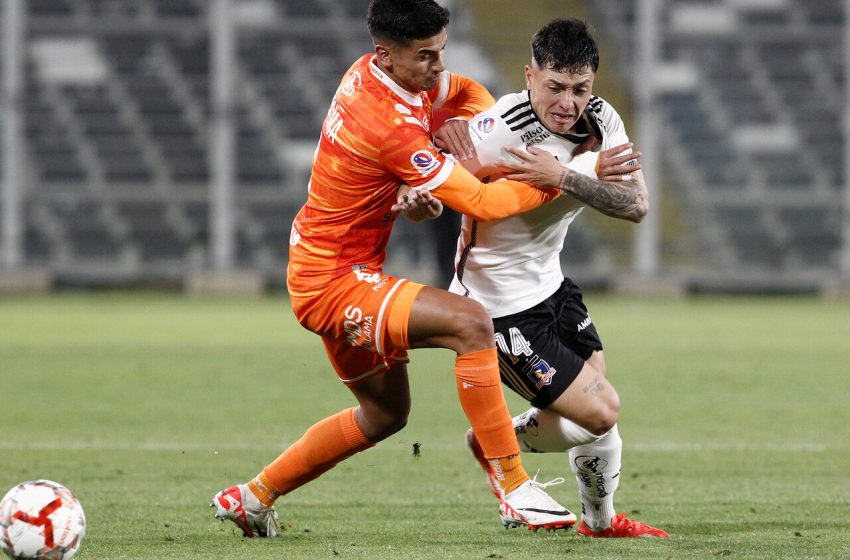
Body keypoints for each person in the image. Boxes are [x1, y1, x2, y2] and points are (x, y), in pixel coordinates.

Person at [211, 0, 585, 537]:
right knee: (470, 322)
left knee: (385, 415)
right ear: (386, 55)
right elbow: (480, 202)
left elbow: (467, 93)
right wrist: (555, 180)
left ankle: (252, 497)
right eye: (426, 57)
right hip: (334, 282)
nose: (438, 68)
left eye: (441, 52)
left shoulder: (382, 74)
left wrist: (462, 122)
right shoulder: (385, 121)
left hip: (327, 268)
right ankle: (513, 487)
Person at [447, 19, 670, 538]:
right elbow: (436, 186)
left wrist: (563, 176)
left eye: (580, 88)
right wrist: (415, 197)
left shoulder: (601, 117)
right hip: (498, 308)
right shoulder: (499, 127)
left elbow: (637, 206)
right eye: (555, 86)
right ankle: (494, 441)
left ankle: (601, 522)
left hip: (552, 287)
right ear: (530, 76)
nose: (569, 102)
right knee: (601, 410)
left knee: (596, 412)